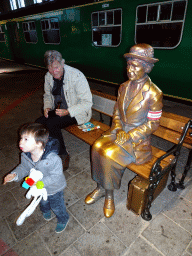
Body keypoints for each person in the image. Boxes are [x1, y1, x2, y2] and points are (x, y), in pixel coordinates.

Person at [85, 43, 163, 218]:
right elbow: (117, 113)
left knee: (110, 153)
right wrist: (119, 129)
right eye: (128, 65)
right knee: (97, 147)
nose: (130, 69)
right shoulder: (123, 87)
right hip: (119, 132)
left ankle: (109, 195)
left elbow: (153, 124)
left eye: (135, 66)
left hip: (137, 140)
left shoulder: (154, 93)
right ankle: (100, 187)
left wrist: (128, 135)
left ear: (147, 68)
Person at [3, 123, 69, 233]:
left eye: (26, 139)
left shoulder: (53, 159)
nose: (20, 142)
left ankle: (63, 219)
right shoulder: (25, 155)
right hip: (37, 189)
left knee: (57, 205)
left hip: (54, 188)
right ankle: (45, 210)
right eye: (21, 138)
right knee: (43, 203)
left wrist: (39, 184)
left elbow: (56, 176)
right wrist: (15, 174)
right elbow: (24, 167)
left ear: (38, 143)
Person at [36, 50, 92, 170]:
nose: (53, 71)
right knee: (38, 122)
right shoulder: (48, 76)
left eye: (56, 67)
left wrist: (68, 111)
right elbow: (47, 95)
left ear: (62, 63)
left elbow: (87, 103)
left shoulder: (76, 76)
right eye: (50, 68)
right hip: (58, 111)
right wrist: (47, 107)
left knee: (52, 124)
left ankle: (63, 154)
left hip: (77, 113)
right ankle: (50, 149)